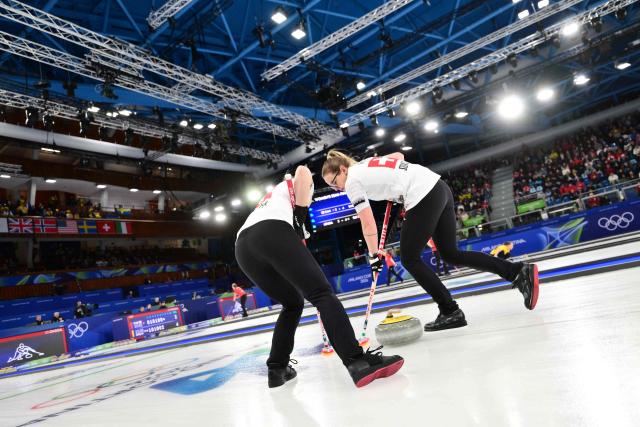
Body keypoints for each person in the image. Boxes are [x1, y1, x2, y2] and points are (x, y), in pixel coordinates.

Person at [322, 151, 539, 332]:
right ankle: (517, 271)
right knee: (450, 253)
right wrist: (393, 187)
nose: (336, 188)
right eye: (331, 187)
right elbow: (398, 155)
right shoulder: (365, 164)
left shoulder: (352, 181)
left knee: (409, 258)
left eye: (334, 182)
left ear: (343, 169)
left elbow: (368, 224)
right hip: (438, 187)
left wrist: (373, 256)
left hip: (422, 195)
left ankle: (449, 310)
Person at [235, 165, 403, 388]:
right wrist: (300, 215)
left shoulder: (271, 200)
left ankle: (277, 367)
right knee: (322, 293)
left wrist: (297, 223)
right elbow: (303, 171)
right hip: (272, 230)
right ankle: (357, 361)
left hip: (243, 247)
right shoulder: (290, 186)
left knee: (292, 303)